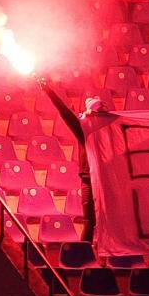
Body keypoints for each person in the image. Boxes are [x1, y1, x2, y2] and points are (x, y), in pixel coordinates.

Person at [38, 79, 105, 243]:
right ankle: (83, 254)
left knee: (105, 222)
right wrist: (49, 91)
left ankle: (106, 257)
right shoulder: (84, 131)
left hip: (106, 181)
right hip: (89, 180)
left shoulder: (108, 131)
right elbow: (65, 112)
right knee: (90, 221)